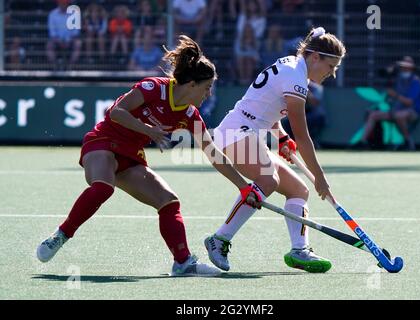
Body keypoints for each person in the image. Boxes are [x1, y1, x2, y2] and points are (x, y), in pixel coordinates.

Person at [36, 35, 262, 277]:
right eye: (207, 88)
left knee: (169, 201)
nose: (208, 94)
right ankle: (62, 234)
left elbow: (212, 152)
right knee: (103, 187)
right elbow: (115, 112)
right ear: (192, 84)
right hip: (103, 141)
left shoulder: (191, 115)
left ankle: (183, 263)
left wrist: (244, 188)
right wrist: (149, 130)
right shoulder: (154, 87)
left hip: (131, 155)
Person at [204, 27, 346, 273]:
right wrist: (321, 178)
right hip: (235, 132)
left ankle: (299, 250)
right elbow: (302, 136)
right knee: (268, 180)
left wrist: (280, 138)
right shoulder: (295, 77)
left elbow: (267, 104)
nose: (331, 74)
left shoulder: (292, 66)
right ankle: (219, 239)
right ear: (315, 57)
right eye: (330, 66)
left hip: (247, 132)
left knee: (298, 190)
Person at [358, 56, 420, 150]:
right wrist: (390, 70)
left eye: (407, 66)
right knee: (373, 114)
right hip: (396, 111)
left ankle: (408, 142)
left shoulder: (416, 82)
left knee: (399, 116)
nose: (404, 68)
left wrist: (395, 95)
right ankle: (362, 142)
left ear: (412, 68)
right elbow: (383, 74)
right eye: (403, 66)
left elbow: (409, 102)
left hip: (413, 112)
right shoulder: (398, 79)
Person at [46, 0, 82, 70]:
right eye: (61, 2)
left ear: (68, 3)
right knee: (49, 45)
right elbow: (52, 32)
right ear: (58, 3)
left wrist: (69, 41)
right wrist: (59, 41)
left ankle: (70, 67)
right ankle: (55, 67)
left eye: (65, 3)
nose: (63, 4)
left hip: (71, 40)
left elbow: (76, 32)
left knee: (78, 43)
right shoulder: (52, 14)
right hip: (56, 40)